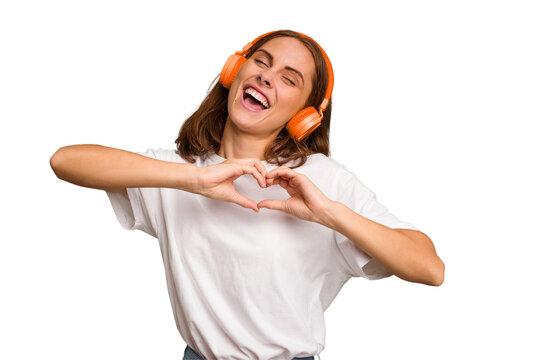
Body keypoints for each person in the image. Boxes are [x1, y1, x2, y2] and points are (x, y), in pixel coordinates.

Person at [50, 30, 445, 360]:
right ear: (234, 72)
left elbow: (430, 268)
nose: (267, 77)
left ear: (305, 114)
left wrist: (330, 214)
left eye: (289, 78)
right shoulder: (180, 173)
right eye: (261, 62)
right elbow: (66, 161)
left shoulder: (322, 180)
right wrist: (193, 180)